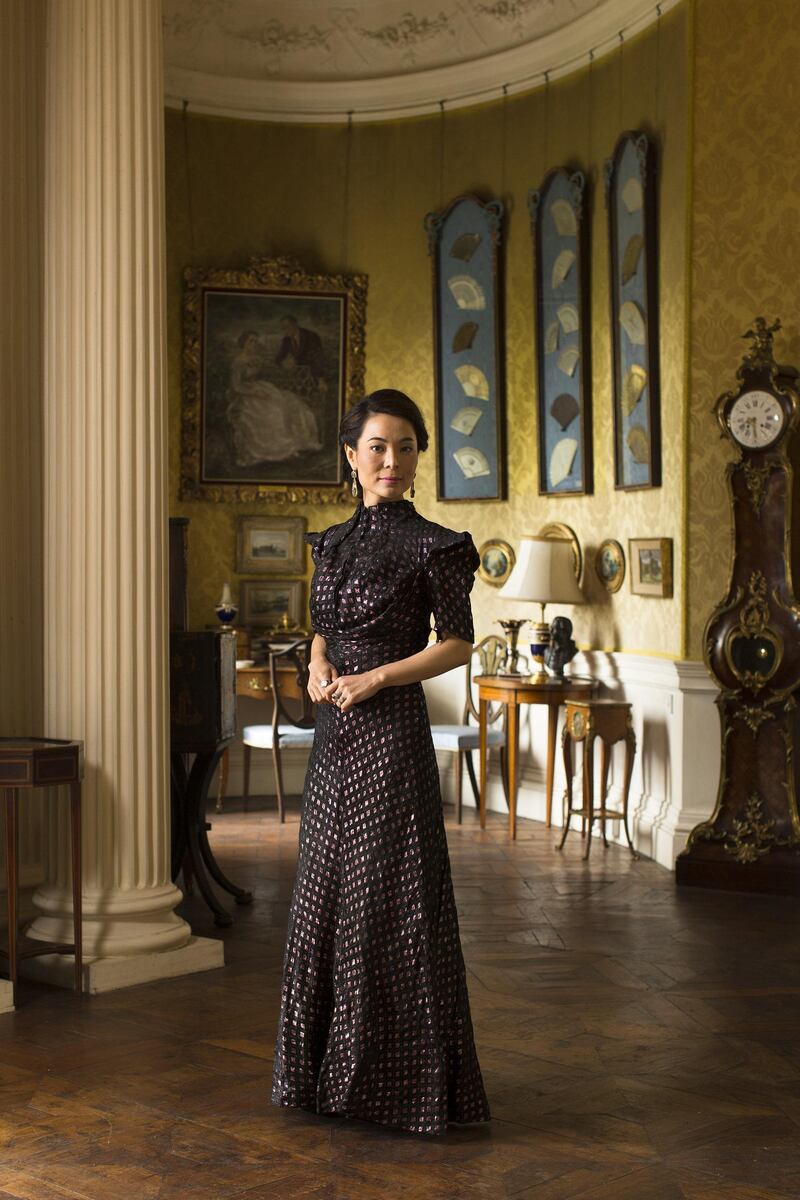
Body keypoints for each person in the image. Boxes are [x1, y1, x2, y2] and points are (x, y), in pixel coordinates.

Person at [271, 389, 491, 1136]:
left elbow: (457, 643)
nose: (391, 460)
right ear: (352, 455)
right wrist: (317, 666)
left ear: (419, 455)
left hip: (391, 732)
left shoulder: (437, 545)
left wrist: (379, 678)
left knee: (386, 894)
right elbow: (323, 629)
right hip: (336, 737)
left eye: (405, 446)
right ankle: (324, 1079)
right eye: (377, 446)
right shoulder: (330, 544)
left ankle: (396, 1088)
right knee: (324, 892)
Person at [227, 330, 322, 466]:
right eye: (251, 341)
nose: (254, 344)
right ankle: (281, 449)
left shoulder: (255, 358)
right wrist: (255, 392)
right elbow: (236, 386)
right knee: (274, 412)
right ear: (244, 343)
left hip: (260, 388)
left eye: (255, 341)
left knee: (291, 403)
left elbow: (271, 367)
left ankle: (294, 445)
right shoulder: (238, 362)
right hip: (246, 396)